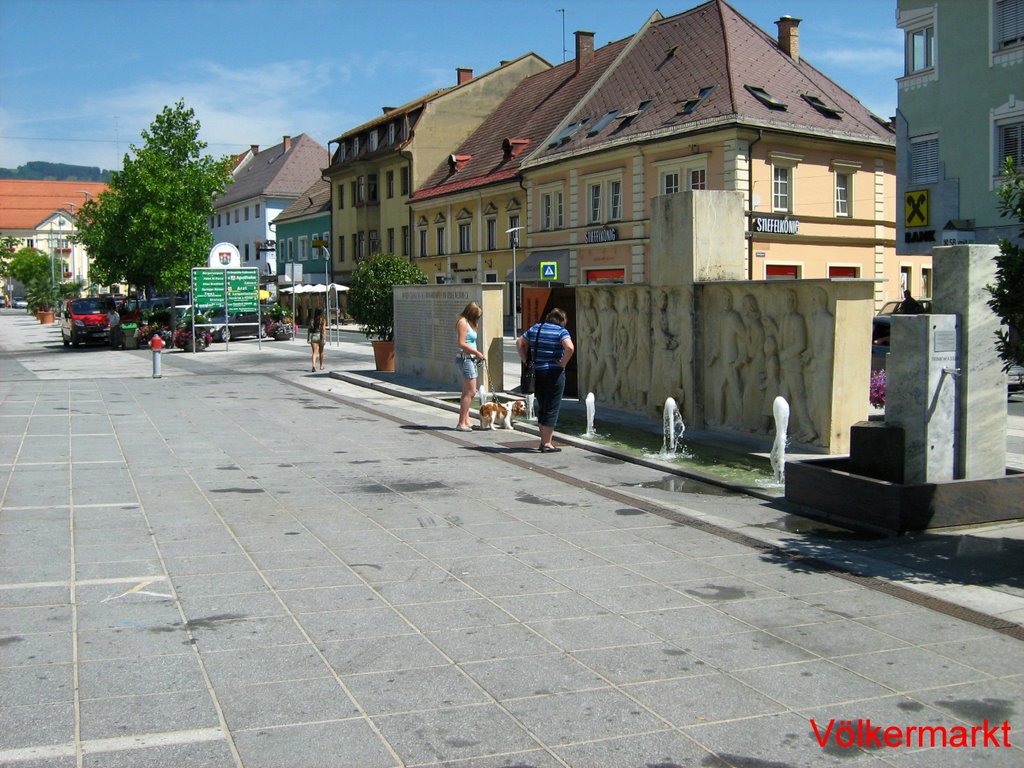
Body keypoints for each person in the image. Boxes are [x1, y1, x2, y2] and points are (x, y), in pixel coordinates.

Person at [517, 308, 574, 452]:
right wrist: (562, 364)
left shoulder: (537, 327)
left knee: (542, 406)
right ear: (562, 321)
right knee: (552, 407)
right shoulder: (561, 332)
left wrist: (525, 360)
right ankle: (547, 443)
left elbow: (520, 342)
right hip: (553, 374)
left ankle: (543, 441)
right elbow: (570, 348)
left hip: (537, 373)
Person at [455, 302, 485, 431]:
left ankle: (466, 420)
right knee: (471, 391)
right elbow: (461, 343)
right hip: (466, 358)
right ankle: (461, 423)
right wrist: (476, 353)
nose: (477, 319)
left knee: (466, 392)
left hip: (471, 358)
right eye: (476, 316)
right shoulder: (462, 322)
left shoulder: (470, 323)